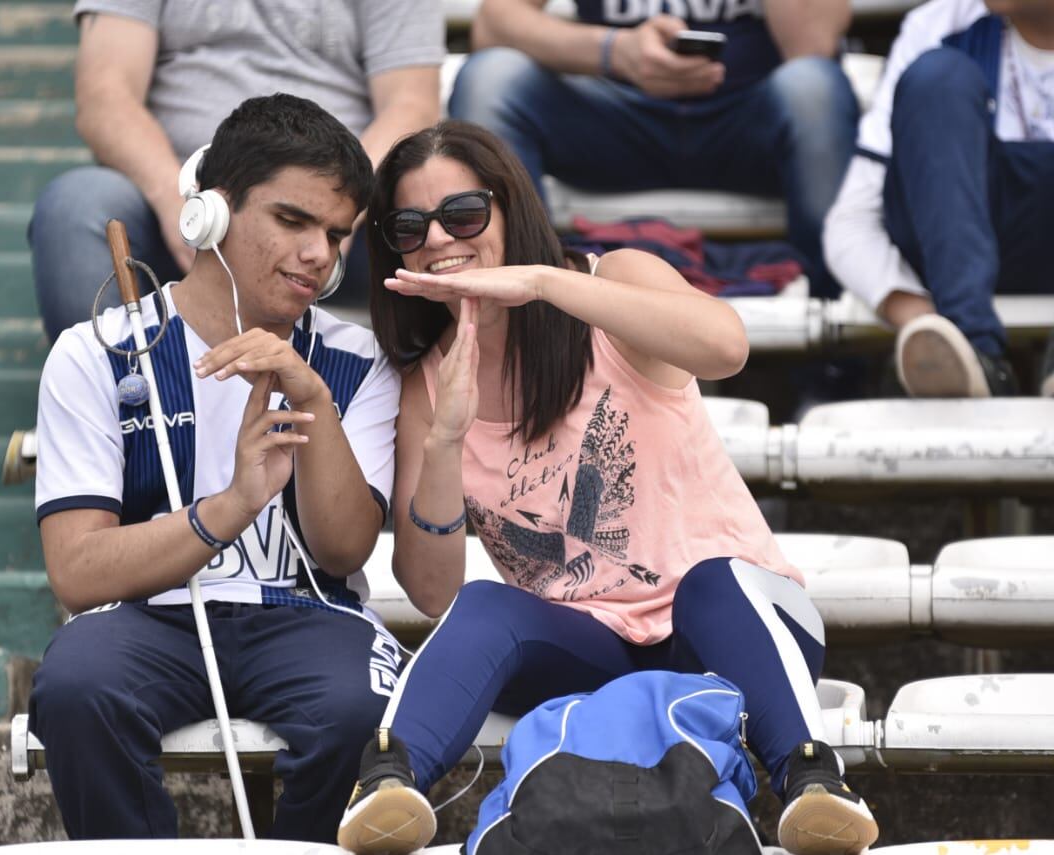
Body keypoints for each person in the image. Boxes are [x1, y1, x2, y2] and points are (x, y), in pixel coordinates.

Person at [333, 121, 879, 855]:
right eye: (409, 227)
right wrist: (445, 440)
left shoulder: (610, 281)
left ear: (511, 207)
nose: (439, 239)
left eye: (463, 214)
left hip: (736, 629)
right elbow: (431, 590)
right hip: (588, 647)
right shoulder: (427, 384)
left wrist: (542, 281)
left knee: (712, 582)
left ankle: (814, 783)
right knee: (486, 603)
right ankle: (390, 784)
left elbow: (725, 345)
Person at [28, 94, 402, 842]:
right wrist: (228, 507)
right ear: (210, 213)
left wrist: (313, 398)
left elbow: (343, 551)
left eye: (336, 234)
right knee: (76, 686)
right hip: (142, 618)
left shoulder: (357, 362)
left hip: (311, 615)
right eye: (293, 221)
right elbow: (77, 569)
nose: (319, 255)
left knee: (366, 709)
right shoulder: (94, 350)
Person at [28, 0, 443, 341]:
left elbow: (411, 104)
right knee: (77, 205)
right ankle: (123, 409)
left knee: (444, 223)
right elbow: (106, 97)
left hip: (346, 222)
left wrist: (335, 217)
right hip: (187, 208)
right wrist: (185, 208)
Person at [446, 0, 859, 300]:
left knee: (813, 88)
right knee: (491, 79)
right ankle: (528, 328)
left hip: (749, 124)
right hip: (614, 123)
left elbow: (813, 47)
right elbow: (495, 23)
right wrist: (614, 51)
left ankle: (832, 357)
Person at [823, 0, 1054, 398]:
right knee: (938, 77)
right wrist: (923, 323)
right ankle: (975, 351)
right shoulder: (937, 26)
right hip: (948, 280)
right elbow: (852, 222)